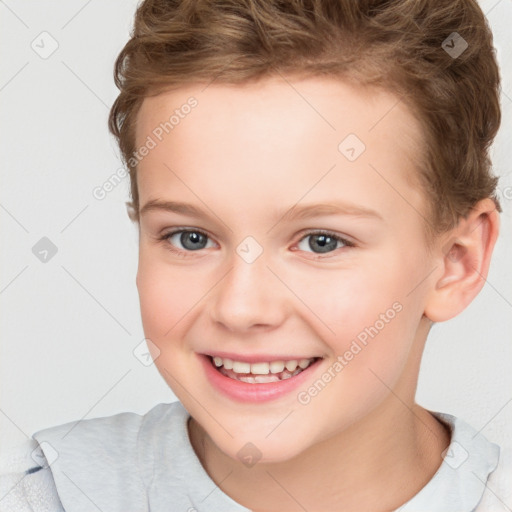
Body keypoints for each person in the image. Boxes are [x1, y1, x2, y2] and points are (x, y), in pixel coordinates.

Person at [1, 0, 510, 510]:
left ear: (456, 262)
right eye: (190, 237)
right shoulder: (45, 496)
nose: (240, 308)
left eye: (321, 242)